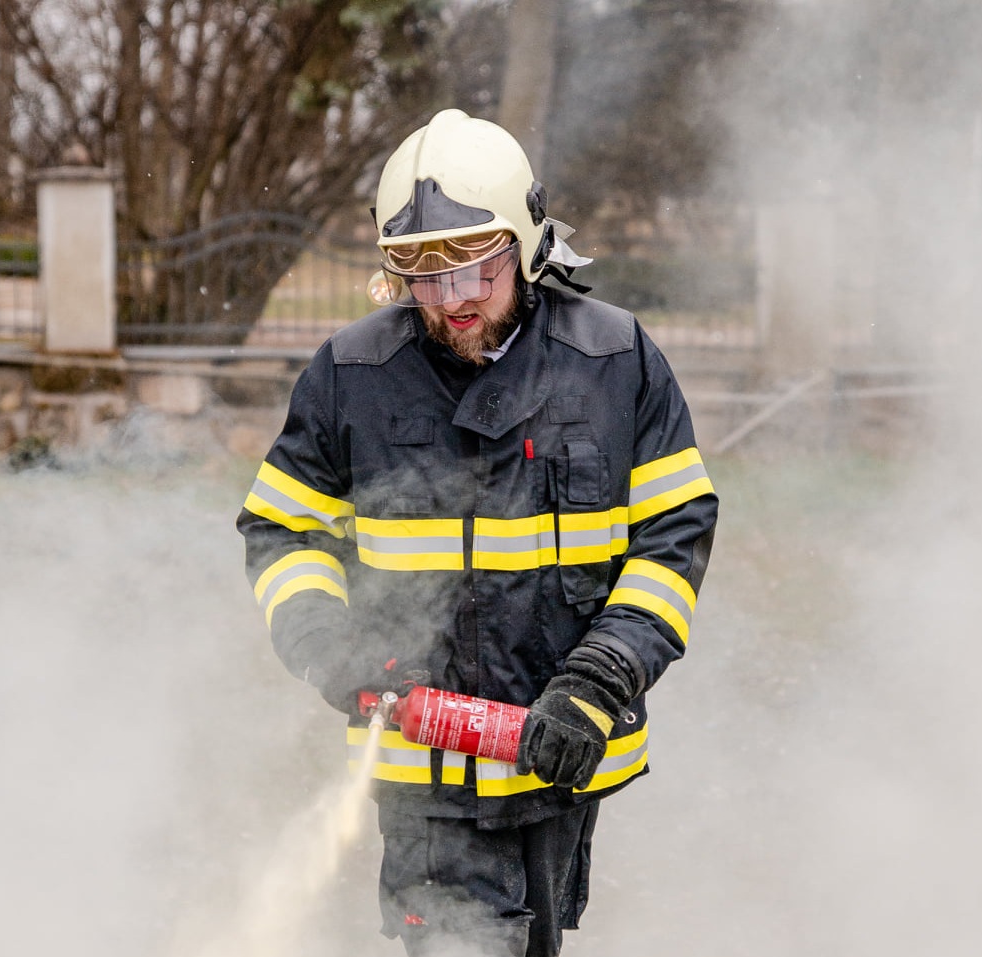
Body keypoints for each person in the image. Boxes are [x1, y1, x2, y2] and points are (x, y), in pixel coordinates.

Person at [236, 109, 718, 957]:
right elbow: (282, 527)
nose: (454, 302)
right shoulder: (353, 376)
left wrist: (597, 683)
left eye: (476, 272)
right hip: (426, 772)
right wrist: (331, 644)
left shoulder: (617, 363)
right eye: (427, 279)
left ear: (526, 247)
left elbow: (672, 537)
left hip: (560, 753)